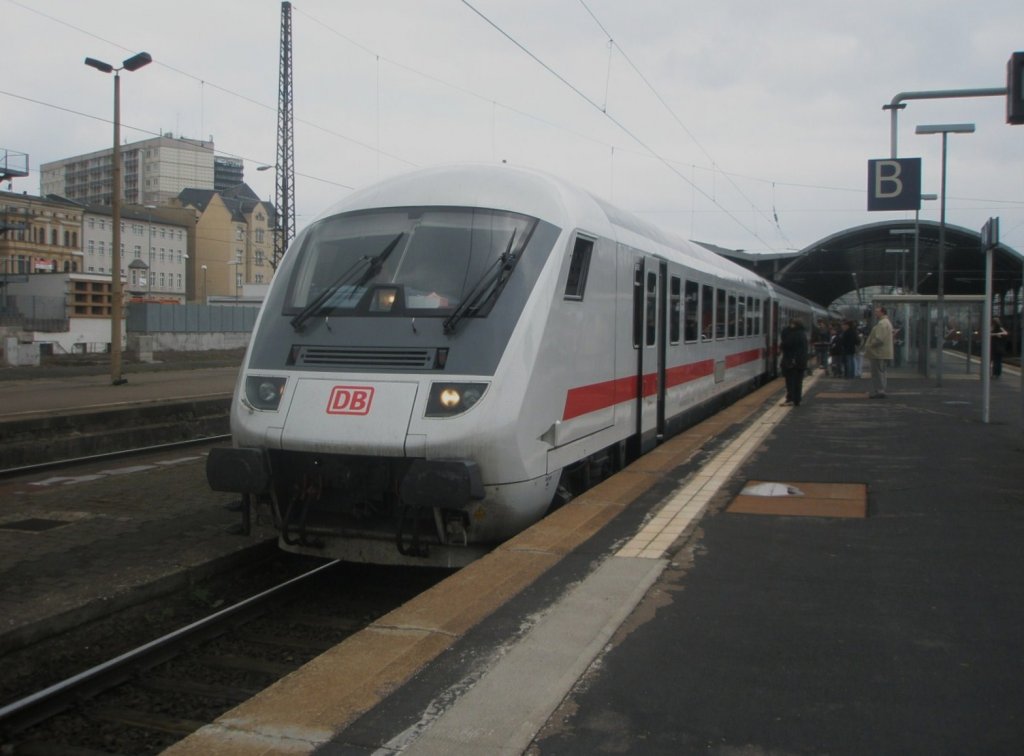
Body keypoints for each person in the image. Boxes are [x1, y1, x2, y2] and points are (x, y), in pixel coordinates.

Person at [864, 305, 894, 398]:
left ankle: (880, 391)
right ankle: (881, 390)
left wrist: (869, 345)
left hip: (878, 353)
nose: (875, 313)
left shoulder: (882, 324)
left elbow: (879, 339)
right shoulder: (885, 322)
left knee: (877, 373)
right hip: (881, 353)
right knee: (881, 372)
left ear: (882, 312)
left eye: (877, 311)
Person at [779, 317, 809, 407]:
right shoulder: (802, 334)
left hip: (792, 363)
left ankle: (791, 399)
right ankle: (797, 400)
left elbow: (785, 345)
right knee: (798, 382)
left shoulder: (795, 334)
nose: (790, 326)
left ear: (795, 325)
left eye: (791, 324)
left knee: (791, 382)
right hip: (801, 362)